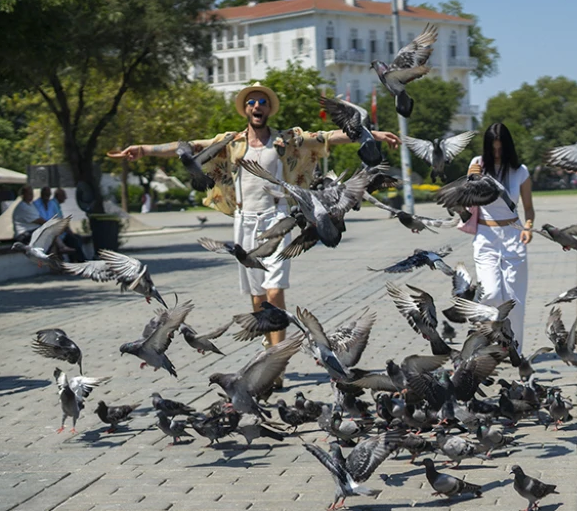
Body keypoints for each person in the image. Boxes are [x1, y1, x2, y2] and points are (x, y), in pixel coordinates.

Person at [108, 82, 399, 383]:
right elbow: (193, 146)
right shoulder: (231, 142)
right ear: (246, 110)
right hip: (244, 220)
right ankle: (267, 344)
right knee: (258, 296)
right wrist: (143, 150)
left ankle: (276, 362)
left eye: (262, 102)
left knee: (274, 290)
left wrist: (373, 134)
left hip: (276, 218)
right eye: (251, 102)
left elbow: (326, 137)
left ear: (269, 109)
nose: (257, 106)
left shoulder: (287, 140)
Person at [466, 122, 535, 352]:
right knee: (492, 293)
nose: (497, 153)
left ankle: (515, 349)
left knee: (514, 300)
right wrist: (470, 180)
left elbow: (528, 208)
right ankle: (487, 339)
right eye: (493, 149)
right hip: (485, 236)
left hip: (514, 236)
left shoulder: (520, 171)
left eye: (500, 149)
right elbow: (466, 202)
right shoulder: (477, 164)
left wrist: (528, 226)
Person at [53, 188, 87, 262]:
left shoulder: (57, 205)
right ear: (58, 196)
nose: (66, 198)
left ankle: (76, 260)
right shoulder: (54, 205)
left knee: (77, 238)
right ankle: (81, 260)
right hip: (59, 235)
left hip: (62, 233)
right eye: (63, 195)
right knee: (74, 240)